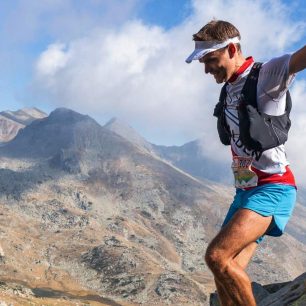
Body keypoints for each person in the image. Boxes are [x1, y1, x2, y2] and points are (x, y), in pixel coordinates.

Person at [185, 19, 306, 306]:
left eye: (210, 60)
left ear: (230, 49)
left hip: (273, 189)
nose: (206, 69)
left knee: (217, 256)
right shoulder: (228, 87)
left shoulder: (266, 75)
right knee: (224, 271)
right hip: (245, 191)